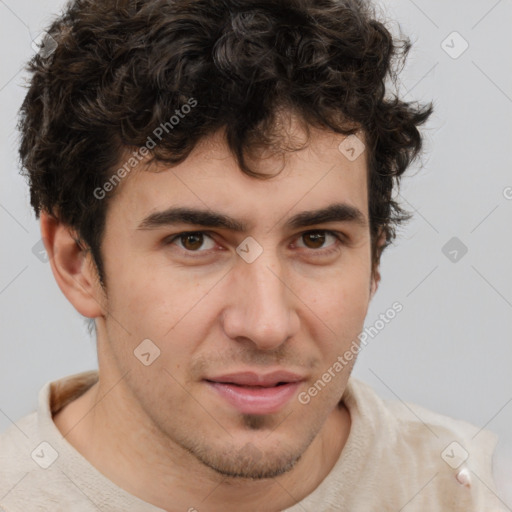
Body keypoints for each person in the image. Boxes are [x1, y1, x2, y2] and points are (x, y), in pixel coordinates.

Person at [0, 0, 508, 510]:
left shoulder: (471, 493)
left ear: (375, 261)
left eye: (316, 239)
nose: (266, 325)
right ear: (76, 263)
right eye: (194, 241)